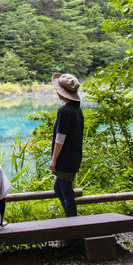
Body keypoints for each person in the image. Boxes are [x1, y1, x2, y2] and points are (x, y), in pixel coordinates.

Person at [50, 73, 84, 217]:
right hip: (74, 157)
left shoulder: (64, 111)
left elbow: (60, 138)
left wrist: (54, 159)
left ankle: (73, 227)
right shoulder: (77, 110)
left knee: (67, 194)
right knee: (59, 189)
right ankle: (72, 223)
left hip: (65, 159)